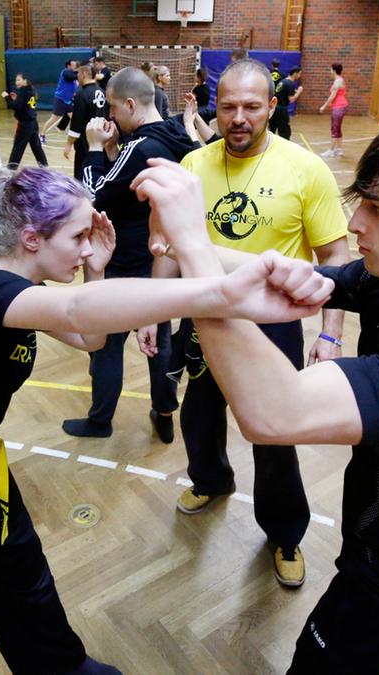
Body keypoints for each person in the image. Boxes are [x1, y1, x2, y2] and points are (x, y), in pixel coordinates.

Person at [0, 163, 332, 675]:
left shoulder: (18, 289)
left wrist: (97, 268)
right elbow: (76, 312)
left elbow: (89, 338)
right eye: (77, 237)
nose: (85, 247)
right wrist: (221, 293)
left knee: (23, 586)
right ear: (32, 238)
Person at [133, 110, 379, 674]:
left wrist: (193, 250)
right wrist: (184, 244)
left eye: (378, 208)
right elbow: (296, 279)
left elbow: (274, 414)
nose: (355, 223)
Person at [154, 59, 350, 588]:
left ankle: (284, 532)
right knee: (199, 414)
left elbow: (335, 255)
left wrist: (330, 333)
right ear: (214, 108)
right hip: (204, 314)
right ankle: (211, 479)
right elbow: (170, 244)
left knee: (275, 431)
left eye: (251, 106)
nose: (238, 118)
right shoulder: (192, 164)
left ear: (271, 107)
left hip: (273, 323)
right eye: (228, 107)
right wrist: (156, 312)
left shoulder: (305, 169)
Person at [63, 67, 198, 441]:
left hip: (125, 260)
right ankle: (164, 412)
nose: (110, 115)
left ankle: (100, 420)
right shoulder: (173, 135)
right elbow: (124, 188)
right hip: (161, 260)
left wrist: (93, 148)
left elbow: (92, 196)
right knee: (160, 342)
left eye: (113, 108)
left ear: (130, 104)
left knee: (106, 343)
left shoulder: (142, 147)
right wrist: (111, 150)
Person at [64, 63, 107, 179]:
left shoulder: (81, 94)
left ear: (84, 74)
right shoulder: (102, 92)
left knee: (81, 174)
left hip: (86, 141)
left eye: (78, 73)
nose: (77, 76)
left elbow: (76, 123)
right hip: (102, 140)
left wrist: (69, 144)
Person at [2, 73, 48, 168]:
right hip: (33, 123)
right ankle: (45, 167)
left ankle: (11, 169)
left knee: (18, 147)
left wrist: (7, 98)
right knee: (36, 147)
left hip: (25, 125)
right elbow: (24, 104)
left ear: (25, 80)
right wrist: (16, 99)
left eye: (19, 80)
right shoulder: (31, 90)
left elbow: (16, 107)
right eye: (16, 80)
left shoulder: (23, 91)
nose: (16, 82)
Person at [40, 60, 79, 142]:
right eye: (74, 65)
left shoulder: (74, 77)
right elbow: (72, 76)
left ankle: (77, 136)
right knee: (53, 119)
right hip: (60, 100)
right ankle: (42, 135)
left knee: (75, 118)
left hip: (69, 101)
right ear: (68, 66)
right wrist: (81, 71)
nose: (75, 66)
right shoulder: (65, 73)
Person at [319, 63, 348, 158]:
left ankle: (331, 151)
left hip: (339, 107)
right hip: (340, 106)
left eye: (330, 69)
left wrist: (324, 106)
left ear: (334, 70)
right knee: (337, 128)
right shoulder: (339, 80)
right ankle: (339, 150)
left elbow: (332, 96)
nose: (330, 71)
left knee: (334, 128)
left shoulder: (337, 82)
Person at [269, 66, 303, 140]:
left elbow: (283, 92)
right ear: (295, 73)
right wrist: (299, 92)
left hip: (275, 109)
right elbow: (291, 99)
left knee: (272, 129)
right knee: (285, 132)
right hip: (281, 110)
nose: (300, 76)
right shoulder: (290, 84)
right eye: (299, 74)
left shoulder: (283, 81)